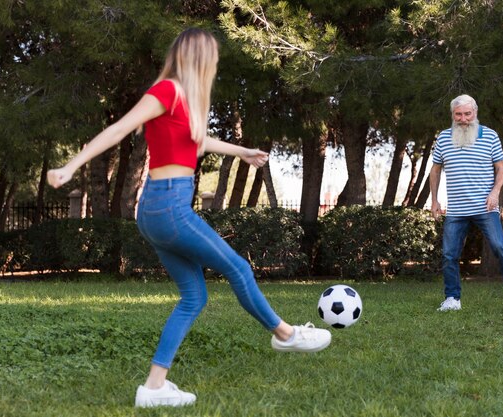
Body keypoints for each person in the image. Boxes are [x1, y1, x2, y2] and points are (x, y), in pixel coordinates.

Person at [47, 28, 331, 408]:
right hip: (168, 207)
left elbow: (197, 142)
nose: (215, 63)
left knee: (194, 297)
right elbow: (119, 129)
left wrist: (242, 151)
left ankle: (154, 388)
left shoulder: (186, 100)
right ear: (199, 58)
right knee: (239, 269)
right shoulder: (166, 90)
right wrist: (71, 167)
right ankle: (284, 333)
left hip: (157, 210)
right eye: (211, 56)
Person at [429, 94, 503, 314]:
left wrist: (495, 193)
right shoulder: (444, 138)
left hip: (485, 207)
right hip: (456, 210)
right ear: (452, 115)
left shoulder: (490, 136)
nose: (463, 118)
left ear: (475, 113)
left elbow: (501, 168)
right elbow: (435, 169)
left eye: (467, 113)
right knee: (449, 255)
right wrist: (434, 199)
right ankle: (452, 299)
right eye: (459, 114)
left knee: (499, 247)